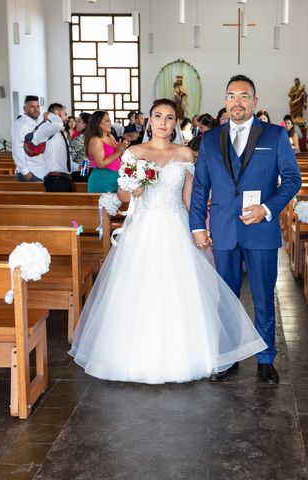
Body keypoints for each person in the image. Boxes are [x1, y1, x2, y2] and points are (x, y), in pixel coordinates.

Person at [69, 99, 266, 383]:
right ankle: (134, 357)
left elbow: (189, 197)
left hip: (175, 226)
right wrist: (133, 189)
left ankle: (185, 356)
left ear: (176, 123)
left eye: (170, 117)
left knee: (179, 290)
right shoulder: (134, 152)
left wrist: (199, 228)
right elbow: (123, 195)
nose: (163, 122)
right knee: (140, 291)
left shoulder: (185, 153)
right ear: (150, 119)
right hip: (144, 228)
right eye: (158, 116)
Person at [190, 75, 302, 384]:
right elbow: (201, 186)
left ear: (254, 101)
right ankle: (230, 356)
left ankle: (266, 357)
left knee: (264, 294)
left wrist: (266, 208)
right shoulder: (211, 138)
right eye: (231, 96)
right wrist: (197, 224)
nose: (237, 101)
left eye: (244, 96)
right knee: (225, 296)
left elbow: (292, 179)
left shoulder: (275, 136)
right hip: (224, 229)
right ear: (225, 101)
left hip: (260, 230)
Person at [85, 110, 133, 193]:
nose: (110, 123)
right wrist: (118, 152)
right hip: (102, 180)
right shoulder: (95, 140)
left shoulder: (110, 136)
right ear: (98, 124)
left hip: (115, 179)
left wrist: (122, 148)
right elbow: (101, 164)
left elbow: (116, 157)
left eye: (110, 121)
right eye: (107, 121)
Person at [33, 103, 73, 192]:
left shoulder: (59, 132)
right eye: (65, 114)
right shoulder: (45, 128)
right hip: (55, 179)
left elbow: (65, 158)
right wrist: (49, 114)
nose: (67, 118)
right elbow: (58, 124)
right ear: (56, 113)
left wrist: (76, 167)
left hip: (64, 178)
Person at [11, 95, 46, 182]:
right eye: (32, 107)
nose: (36, 109)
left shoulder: (34, 123)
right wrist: (25, 172)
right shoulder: (21, 125)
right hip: (30, 172)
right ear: (25, 109)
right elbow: (17, 149)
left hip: (38, 171)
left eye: (37, 106)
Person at [69, 112, 91, 181]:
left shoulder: (79, 138)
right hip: (89, 171)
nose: (76, 123)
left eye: (79, 121)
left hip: (80, 172)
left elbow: (70, 157)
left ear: (85, 124)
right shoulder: (92, 137)